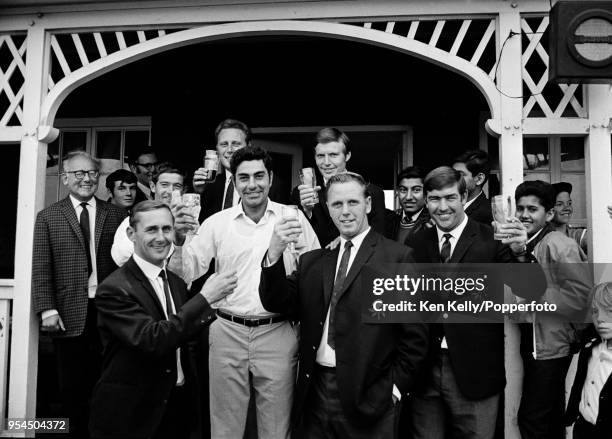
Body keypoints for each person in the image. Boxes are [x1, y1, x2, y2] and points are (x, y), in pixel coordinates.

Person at [260, 171, 428, 438]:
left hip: (371, 396)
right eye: (337, 204)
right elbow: (277, 302)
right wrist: (274, 253)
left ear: (368, 205)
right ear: (328, 208)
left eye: (353, 202)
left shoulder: (396, 258)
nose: (346, 211)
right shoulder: (313, 261)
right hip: (315, 393)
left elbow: (415, 338)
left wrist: (393, 390)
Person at [178, 146, 320, 439]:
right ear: (235, 180)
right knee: (225, 427)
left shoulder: (291, 217)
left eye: (259, 176)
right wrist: (179, 241)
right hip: (227, 330)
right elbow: (188, 271)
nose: (252, 184)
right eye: (244, 177)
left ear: (270, 178)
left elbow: (316, 271)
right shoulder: (217, 222)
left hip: (277, 331)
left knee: (277, 427)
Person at [406, 166, 545, 439]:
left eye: (450, 198)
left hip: (476, 371)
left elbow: (531, 291)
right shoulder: (417, 240)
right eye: (434, 199)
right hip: (424, 372)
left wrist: (520, 252)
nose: (442, 207)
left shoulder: (492, 238)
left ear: (464, 197)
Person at [89, 201, 238, 439]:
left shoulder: (175, 282)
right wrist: (205, 298)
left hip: (175, 409)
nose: (161, 237)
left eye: (167, 229)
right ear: (131, 234)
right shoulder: (114, 289)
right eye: (151, 230)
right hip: (132, 414)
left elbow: (184, 336)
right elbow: (152, 339)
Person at [32, 151, 126, 438]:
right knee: (72, 385)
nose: (86, 179)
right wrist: (47, 308)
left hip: (109, 310)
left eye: (92, 173)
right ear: (65, 178)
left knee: (108, 381)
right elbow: (41, 265)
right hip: (68, 310)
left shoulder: (117, 215)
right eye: (79, 173)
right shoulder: (49, 216)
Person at [514, 180, 592, 439]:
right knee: (550, 419)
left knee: (533, 420)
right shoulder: (529, 242)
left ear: (548, 214)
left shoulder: (557, 243)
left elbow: (581, 297)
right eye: (521, 208)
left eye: (532, 209)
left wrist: (533, 296)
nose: (524, 214)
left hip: (551, 346)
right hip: (539, 343)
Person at [292, 127, 386, 247]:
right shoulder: (300, 193)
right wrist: (307, 211)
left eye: (333, 155)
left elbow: (379, 238)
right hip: (317, 263)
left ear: (347, 156)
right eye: (320, 156)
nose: (326, 162)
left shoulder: (372, 192)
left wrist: (347, 240)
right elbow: (296, 240)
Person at [193, 118, 288, 222]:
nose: (229, 150)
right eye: (224, 144)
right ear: (217, 148)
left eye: (236, 144)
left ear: (249, 146)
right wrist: (199, 193)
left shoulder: (273, 185)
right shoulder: (209, 185)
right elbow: (199, 226)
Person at [111, 166, 186, 273]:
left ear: (183, 191)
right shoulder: (134, 219)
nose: (170, 191)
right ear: (152, 186)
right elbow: (122, 257)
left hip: (179, 288)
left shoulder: (188, 223)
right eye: (164, 185)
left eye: (177, 186)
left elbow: (196, 268)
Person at [565, 282, 612, 439]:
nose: (600, 319)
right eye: (595, 312)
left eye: (610, 311)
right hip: (582, 428)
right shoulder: (590, 345)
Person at [384, 166, 431, 245]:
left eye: (416, 190)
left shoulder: (432, 222)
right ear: (397, 192)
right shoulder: (388, 221)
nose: (408, 197)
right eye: (403, 190)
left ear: (426, 193)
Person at [452, 150, 493, 225]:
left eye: (460, 174)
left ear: (479, 179)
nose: (452, 179)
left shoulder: (488, 215)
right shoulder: (446, 205)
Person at [551, 181, 588, 254]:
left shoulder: (578, 235)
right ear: (548, 209)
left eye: (569, 203)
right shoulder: (540, 237)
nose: (567, 208)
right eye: (559, 204)